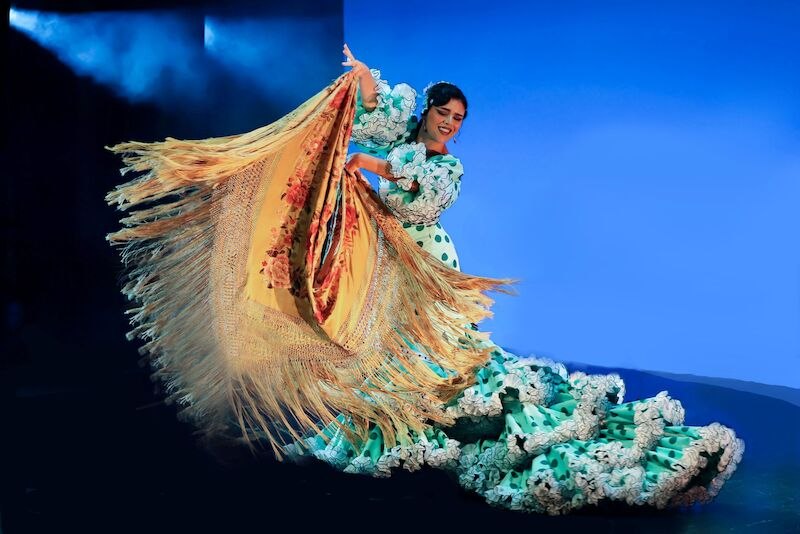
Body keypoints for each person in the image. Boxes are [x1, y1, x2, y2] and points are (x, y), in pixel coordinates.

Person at [105, 44, 744, 515]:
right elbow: (376, 115)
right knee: (369, 342)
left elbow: (415, 205)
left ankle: (428, 417)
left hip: (423, 264)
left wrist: (375, 167)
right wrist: (362, 83)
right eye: (446, 113)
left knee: (420, 354)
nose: (451, 124)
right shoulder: (407, 139)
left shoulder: (445, 171)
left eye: (460, 120)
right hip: (377, 257)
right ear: (432, 109)